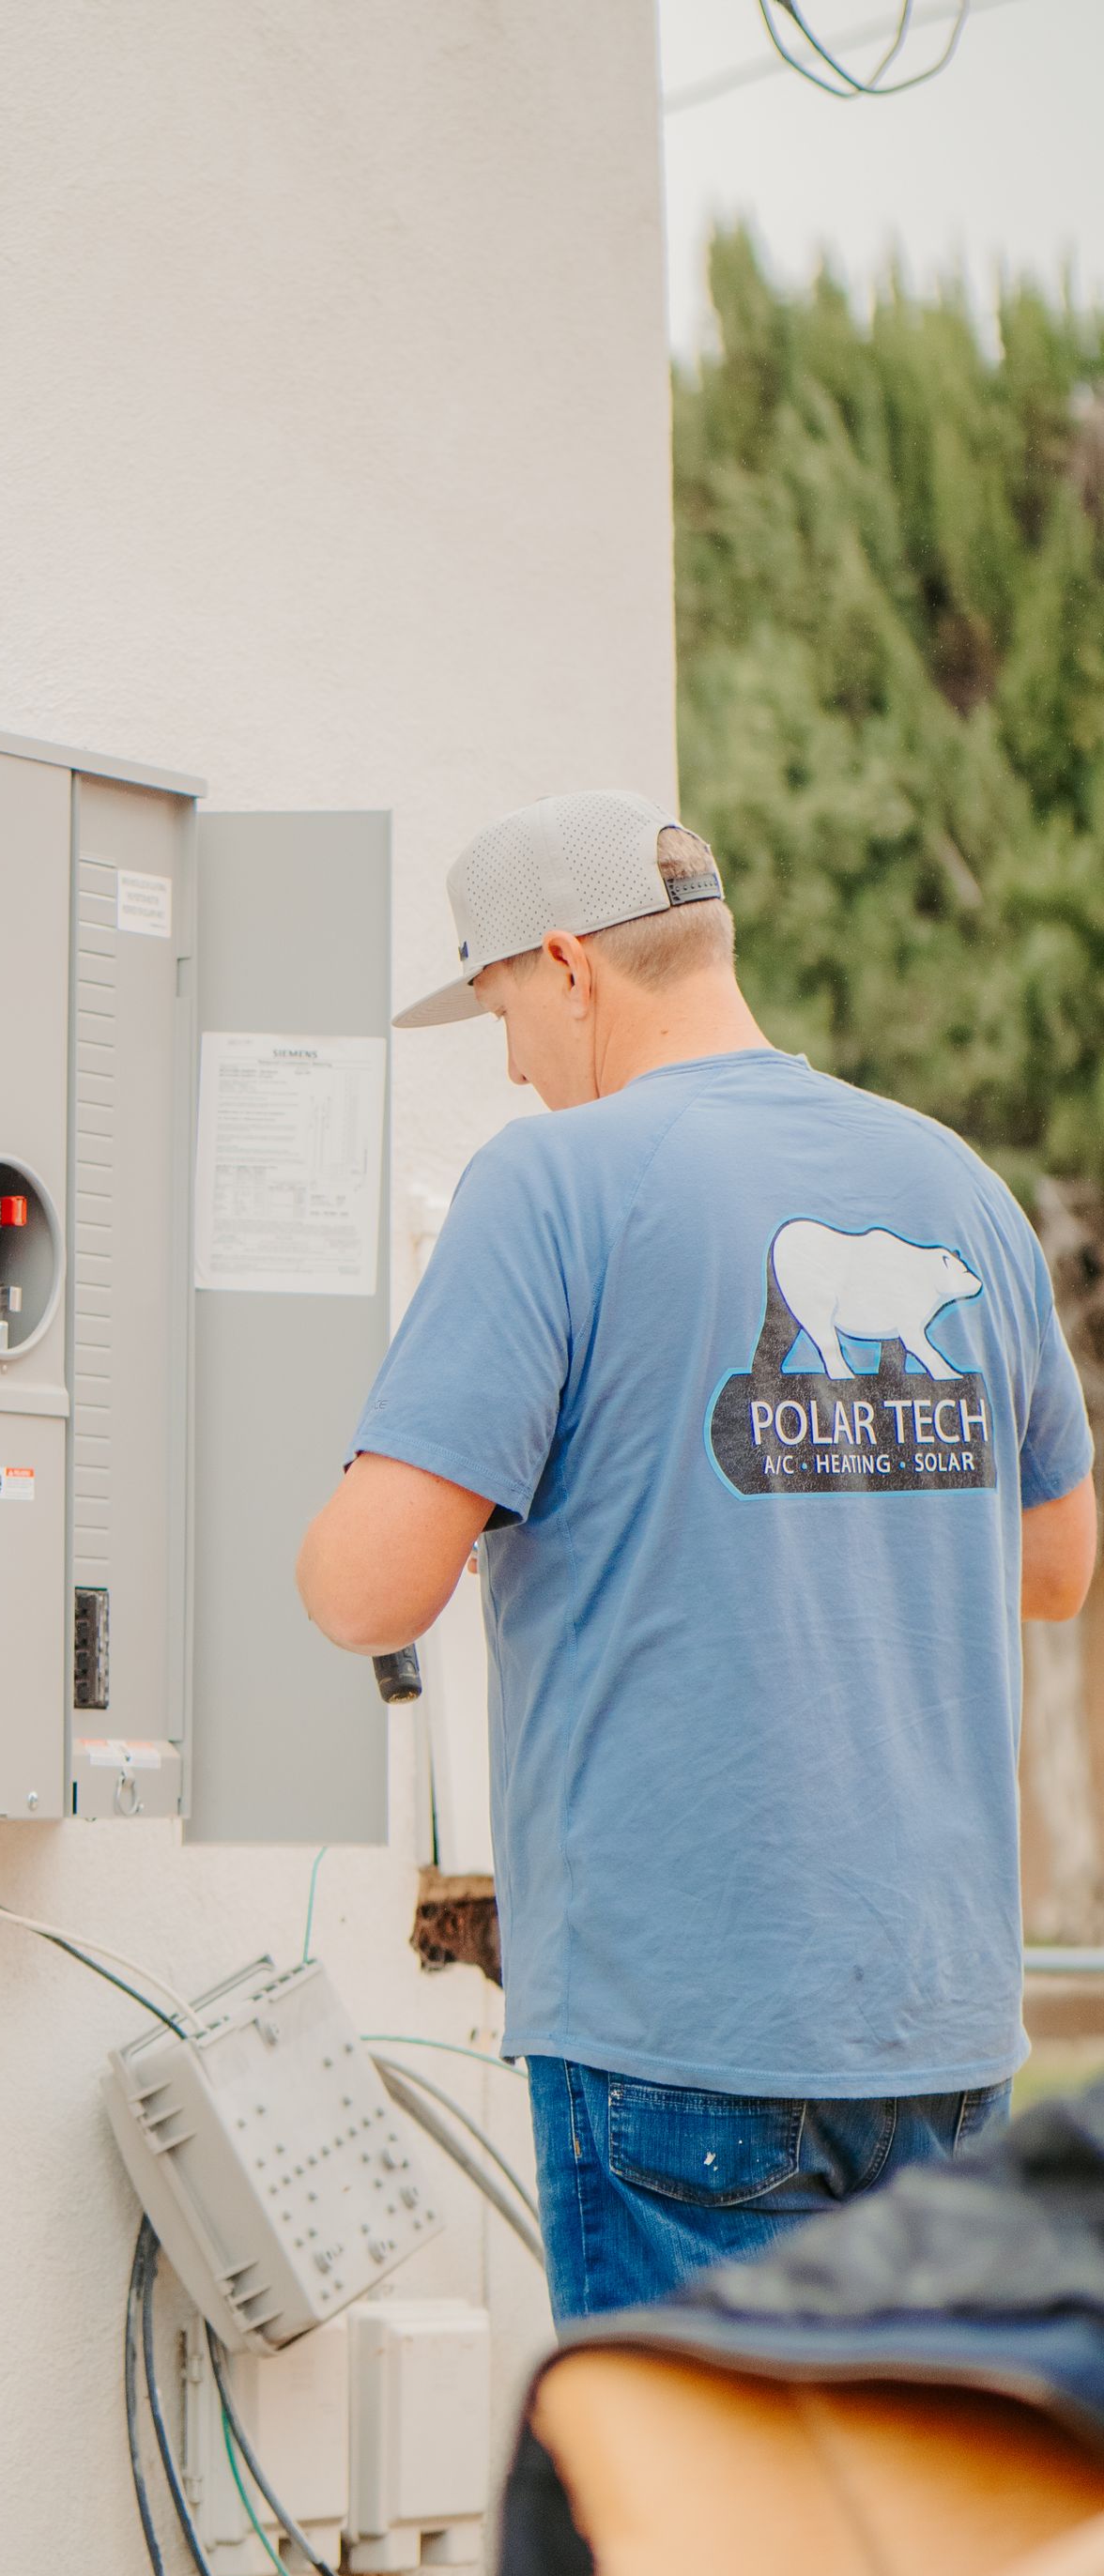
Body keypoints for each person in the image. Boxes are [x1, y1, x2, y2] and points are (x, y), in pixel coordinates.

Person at [296, 790, 1098, 2325]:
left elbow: (365, 1589)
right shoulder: (957, 1191)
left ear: (567, 966)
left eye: (502, 1012)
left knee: (700, 2556)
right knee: (895, 2546)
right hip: (937, 2039)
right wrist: (833, 1519)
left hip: (681, 2043)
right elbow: (1058, 1562)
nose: (517, 1064)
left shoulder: (552, 1187)